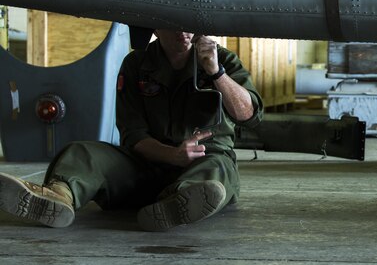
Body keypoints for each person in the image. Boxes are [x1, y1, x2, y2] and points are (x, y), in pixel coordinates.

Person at [0, 31, 262, 231]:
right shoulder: (137, 63)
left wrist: (216, 73)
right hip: (147, 164)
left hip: (204, 159)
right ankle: (57, 197)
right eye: (171, 23)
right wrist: (172, 155)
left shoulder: (223, 59)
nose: (182, 30)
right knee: (82, 152)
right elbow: (133, 134)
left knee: (218, 169)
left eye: (188, 22)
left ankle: (180, 201)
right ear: (155, 27)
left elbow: (248, 115)